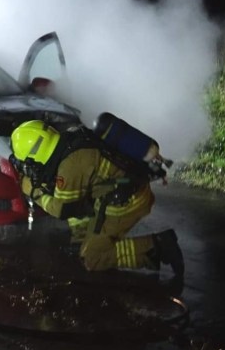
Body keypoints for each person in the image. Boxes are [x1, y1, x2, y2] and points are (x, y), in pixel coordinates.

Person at [10, 119, 184, 278]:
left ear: (36, 154)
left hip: (126, 203)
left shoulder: (71, 167)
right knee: (81, 224)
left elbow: (63, 209)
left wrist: (31, 190)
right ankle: (86, 241)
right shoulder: (70, 138)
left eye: (25, 163)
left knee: (92, 259)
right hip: (119, 192)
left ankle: (157, 247)